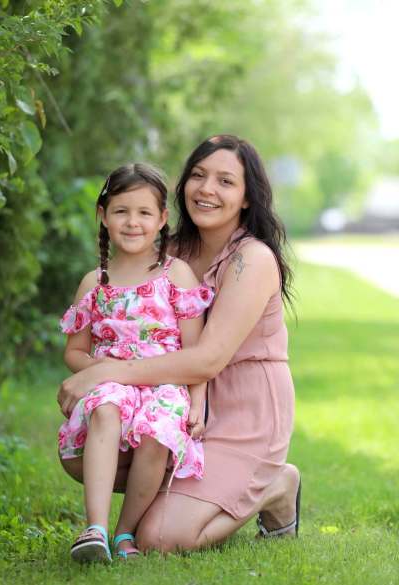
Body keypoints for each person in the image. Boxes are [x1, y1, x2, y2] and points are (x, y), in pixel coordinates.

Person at [58, 135, 301, 553]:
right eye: (198, 175)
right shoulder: (170, 254)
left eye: (226, 181)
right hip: (175, 399)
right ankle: (140, 512)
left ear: (246, 197)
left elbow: (206, 360)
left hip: (244, 412)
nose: (207, 189)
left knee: (160, 537)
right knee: (83, 454)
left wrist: (101, 371)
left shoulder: (251, 259)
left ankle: (275, 485)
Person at [58, 163, 214, 562]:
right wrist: (98, 370)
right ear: (104, 216)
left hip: (165, 386)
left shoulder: (175, 275)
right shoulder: (96, 283)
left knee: (156, 433)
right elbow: (74, 351)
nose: (132, 222)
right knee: (107, 407)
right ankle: (94, 528)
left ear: (162, 219)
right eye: (122, 211)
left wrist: (197, 403)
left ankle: (124, 532)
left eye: (144, 213)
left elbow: (194, 355)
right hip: (111, 384)